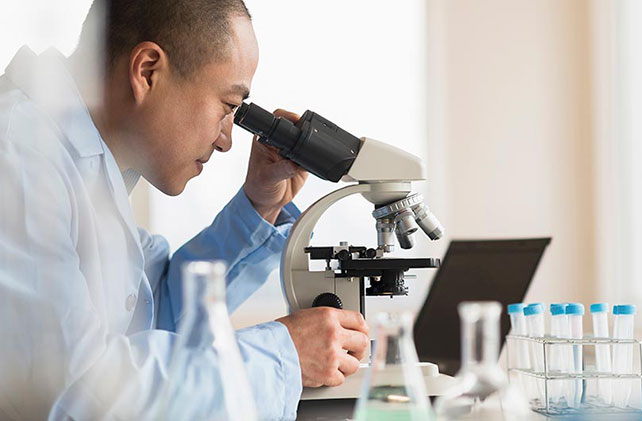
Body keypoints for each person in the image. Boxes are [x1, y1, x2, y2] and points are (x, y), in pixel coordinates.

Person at [0, 0, 369, 419]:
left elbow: (149, 310)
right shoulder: (19, 157)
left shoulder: (79, 162)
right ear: (147, 71)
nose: (227, 140)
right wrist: (283, 354)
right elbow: (75, 389)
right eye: (228, 106)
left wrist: (258, 204)